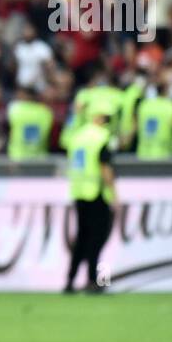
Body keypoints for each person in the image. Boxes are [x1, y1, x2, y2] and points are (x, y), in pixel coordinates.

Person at [64, 107, 116, 294]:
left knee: (81, 238)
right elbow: (105, 167)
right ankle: (93, 281)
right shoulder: (102, 137)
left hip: (79, 192)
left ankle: (70, 280)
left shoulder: (77, 136)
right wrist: (114, 194)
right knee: (97, 239)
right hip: (97, 193)